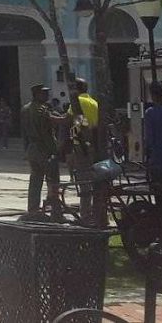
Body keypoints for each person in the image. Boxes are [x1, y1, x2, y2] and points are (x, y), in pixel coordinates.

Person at [21, 84, 65, 219]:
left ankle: (33, 210)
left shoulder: (25, 109)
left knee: (35, 180)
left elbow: (23, 132)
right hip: (44, 150)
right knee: (53, 181)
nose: (47, 95)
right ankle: (55, 212)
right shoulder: (41, 110)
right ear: (37, 94)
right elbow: (52, 126)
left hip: (32, 148)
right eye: (43, 93)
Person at [67, 77, 99, 224]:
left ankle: (85, 215)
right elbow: (93, 124)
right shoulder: (93, 102)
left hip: (80, 145)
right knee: (90, 179)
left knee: (83, 181)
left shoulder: (76, 102)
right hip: (92, 144)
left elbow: (73, 122)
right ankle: (90, 212)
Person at [144, 80, 162, 207]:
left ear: (153, 95)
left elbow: (149, 139)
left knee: (159, 194)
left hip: (157, 161)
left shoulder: (150, 113)